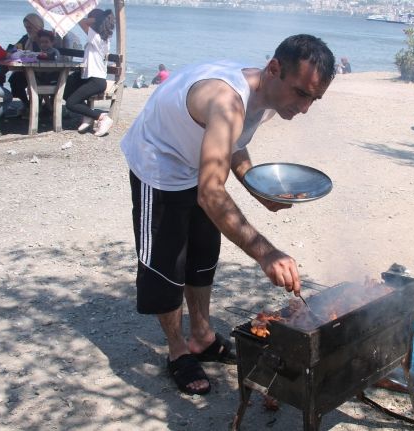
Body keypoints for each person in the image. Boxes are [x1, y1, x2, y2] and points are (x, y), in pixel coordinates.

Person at [119, 34, 335, 396]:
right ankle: (177, 352)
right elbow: (211, 192)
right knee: (167, 267)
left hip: (200, 166)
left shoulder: (267, 94)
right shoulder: (226, 100)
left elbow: (235, 140)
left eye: (315, 98)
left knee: (203, 256)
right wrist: (268, 253)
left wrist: (254, 185)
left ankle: (202, 336)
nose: (305, 108)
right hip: (160, 165)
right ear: (274, 69)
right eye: (301, 93)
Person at [63, 8, 115, 137]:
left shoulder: (96, 37)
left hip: (96, 81)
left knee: (71, 103)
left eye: (90, 17)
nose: (88, 19)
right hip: (88, 78)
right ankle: (88, 115)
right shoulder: (101, 38)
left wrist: (98, 18)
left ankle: (102, 117)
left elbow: (81, 22)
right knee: (65, 89)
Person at [7, 13, 44, 115]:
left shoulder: (45, 37)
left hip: (44, 71)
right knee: (14, 80)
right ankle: (27, 104)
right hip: (28, 70)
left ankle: (36, 107)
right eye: (26, 27)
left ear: (36, 25)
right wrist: (11, 51)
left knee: (28, 80)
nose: (27, 29)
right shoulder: (26, 38)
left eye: (29, 27)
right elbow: (14, 48)